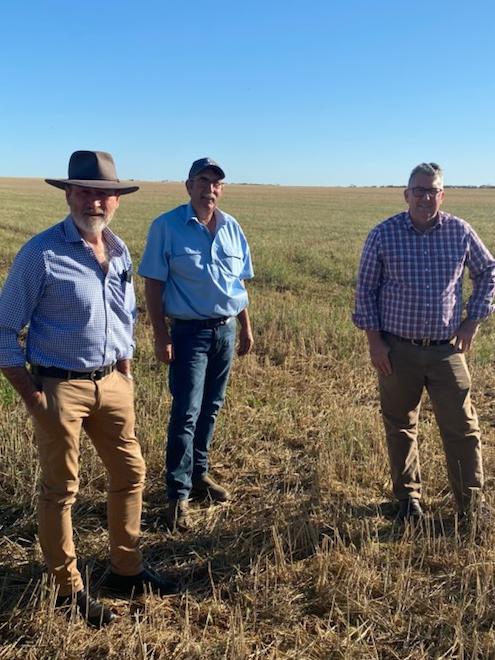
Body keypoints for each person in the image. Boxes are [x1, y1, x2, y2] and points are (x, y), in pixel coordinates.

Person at [0, 151, 178, 627]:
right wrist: (33, 395)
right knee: (61, 491)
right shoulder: (41, 253)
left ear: (117, 200)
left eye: (105, 194)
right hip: (58, 387)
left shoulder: (119, 251)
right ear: (68, 194)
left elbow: (126, 315)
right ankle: (67, 590)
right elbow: (3, 329)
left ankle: (127, 568)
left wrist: (126, 369)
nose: (95, 202)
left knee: (131, 473)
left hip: (113, 383)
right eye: (86, 192)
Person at [353, 162, 495, 522]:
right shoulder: (383, 234)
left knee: (462, 427)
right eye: (419, 190)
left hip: (448, 348)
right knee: (400, 424)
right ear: (406, 194)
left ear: (442, 195)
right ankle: (408, 500)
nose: (425, 197)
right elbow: (365, 291)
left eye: (432, 190)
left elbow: (489, 271)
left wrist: (472, 322)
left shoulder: (460, 232)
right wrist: (375, 343)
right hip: (397, 349)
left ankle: (470, 504)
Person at [138, 157, 254, 532]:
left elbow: (239, 286)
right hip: (189, 333)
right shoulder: (167, 227)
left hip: (225, 331)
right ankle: (177, 494)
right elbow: (153, 284)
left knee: (212, 407)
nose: (210, 189)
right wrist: (160, 334)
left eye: (216, 183)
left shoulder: (232, 227)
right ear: (188, 186)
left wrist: (246, 328)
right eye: (203, 181)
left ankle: (200, 474)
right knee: (186, 412)